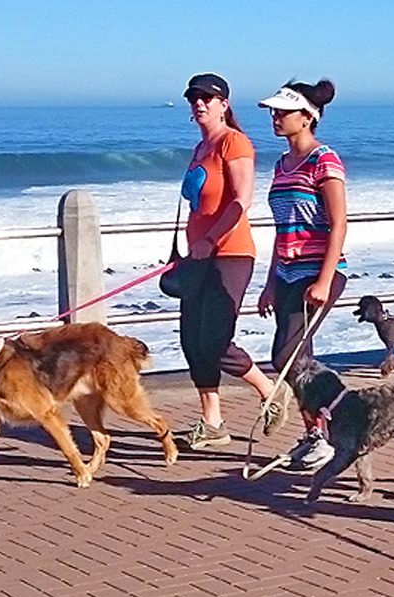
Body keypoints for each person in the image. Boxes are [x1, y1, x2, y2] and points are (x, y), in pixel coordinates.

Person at [177, 73, 282, 451]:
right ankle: (213, 422)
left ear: (224, 104)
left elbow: (241, 200)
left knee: (215, 340)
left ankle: (270, 391)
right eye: (193, 97)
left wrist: (210, 240)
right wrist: (191, 246)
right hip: (198, 256)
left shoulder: (233, 142)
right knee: (192, 339)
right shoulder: (200, 148)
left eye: (207, 97)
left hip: (231, 253)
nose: (199, 103)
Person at [257, 79, 348, 469]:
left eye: (283, 112)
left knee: (286, 358)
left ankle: (332, 425)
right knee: (299, 358)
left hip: (318, 272)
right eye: (273, 112)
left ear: (307, 117)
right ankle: (318, 436)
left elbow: (339, 224)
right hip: (287, 273)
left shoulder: (323, 160)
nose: (275, 117)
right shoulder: (281, 165)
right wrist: (269, 283)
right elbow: (282, 230)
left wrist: (324, 280)